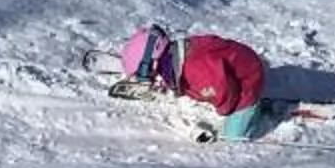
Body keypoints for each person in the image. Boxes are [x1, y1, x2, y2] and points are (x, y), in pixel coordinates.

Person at [116, 22, 272, 140]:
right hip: (238, 61)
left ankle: (256, 113)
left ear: (154, 62)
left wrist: (224, 110)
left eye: (146, 74)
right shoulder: (176, 55)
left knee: (232, 138)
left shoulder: (197, 71)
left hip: (248, 80)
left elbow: (226, 94)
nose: (149, 78)